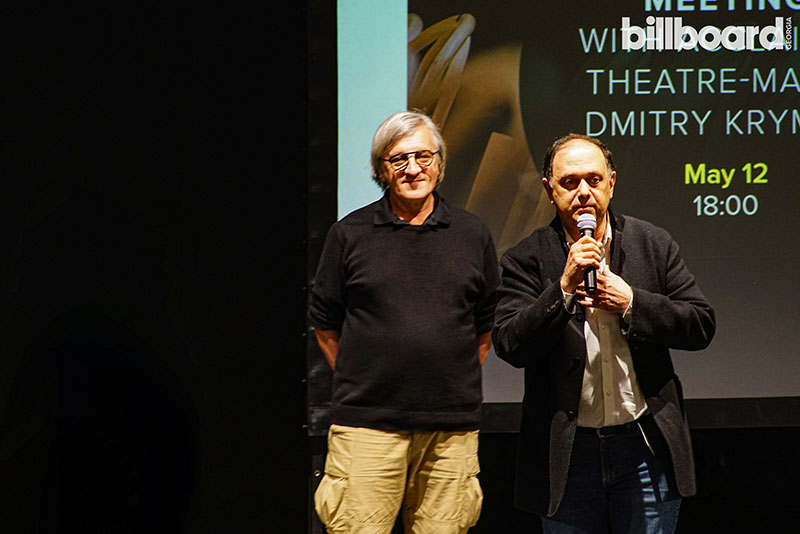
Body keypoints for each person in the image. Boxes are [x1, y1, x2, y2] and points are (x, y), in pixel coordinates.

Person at [492, 134, 716, 533]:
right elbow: (510, 344)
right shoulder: (526, 258)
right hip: (568, 455)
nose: (583, 193)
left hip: (643, 448)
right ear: (549, 190)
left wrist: (631, 302)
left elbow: (700, 324)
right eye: (569, 182)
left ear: (611, 183)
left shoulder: (652, 243)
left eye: (593, 180)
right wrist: (563, 288)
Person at [308, 110, 500, 533]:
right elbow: (324, 324)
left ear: (439, 163)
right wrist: (367, 378)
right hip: (366, 429)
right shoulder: (349, 234)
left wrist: (445, 378)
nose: (413, 169)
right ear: (382, 169)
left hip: (450, 433)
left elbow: (486, 324)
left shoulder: (472, 234)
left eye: (423, 156)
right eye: (398, 159)